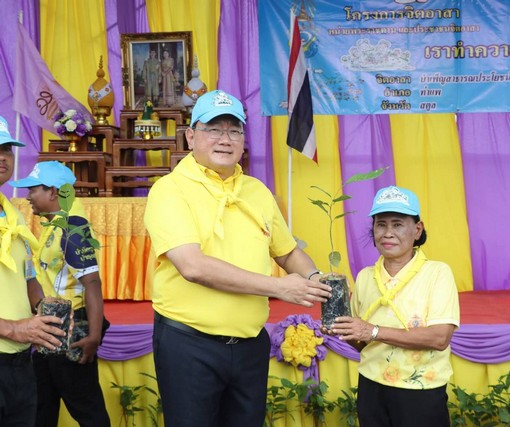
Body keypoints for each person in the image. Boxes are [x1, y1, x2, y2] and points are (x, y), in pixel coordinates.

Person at [144, 89, 332, 426]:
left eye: (234, 130)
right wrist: (278, 288)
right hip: (190, 343)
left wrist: (315, 278)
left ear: (244, 140)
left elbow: (288, 251)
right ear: (191, 136)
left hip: (249, 345)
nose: (225, 139)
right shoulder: (170, 190)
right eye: (213, 129)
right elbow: (192, 266)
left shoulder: (256, 191)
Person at [329, 185, 460, 427]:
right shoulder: (365, 277)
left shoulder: (437, 273)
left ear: (417, 230)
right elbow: (363, 343)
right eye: (381, 225)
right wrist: (341, 327)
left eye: (398, 225)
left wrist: (373, 331)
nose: (388, 233)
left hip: (420, 389)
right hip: (371, 386)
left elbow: (440, 338)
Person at [10, 160, 110, 427]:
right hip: (50, 327)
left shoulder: (72, 228)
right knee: (42, 407)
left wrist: (93, 336)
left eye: (33, 190)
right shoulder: (55, 224)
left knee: (88, 411)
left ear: (53, 192)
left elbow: (92, 283)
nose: (28, 196)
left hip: (71, 330)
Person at [0, 116, 66, 426]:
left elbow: (28, 276)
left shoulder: (13, 213)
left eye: (7, 149)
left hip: (19, 362)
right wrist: (12, 328)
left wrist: (44, 310)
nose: (3, 157)